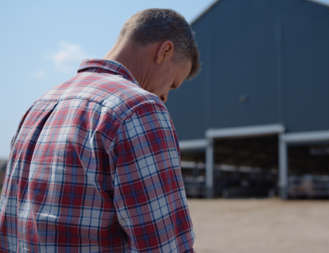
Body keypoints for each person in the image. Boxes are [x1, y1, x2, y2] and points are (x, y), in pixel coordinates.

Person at [0, 8, 199, 252]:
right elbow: (164, 244)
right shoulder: (139, 108)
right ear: (165, 51)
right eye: (173, 84)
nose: (165, 96)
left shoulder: (39, 107)